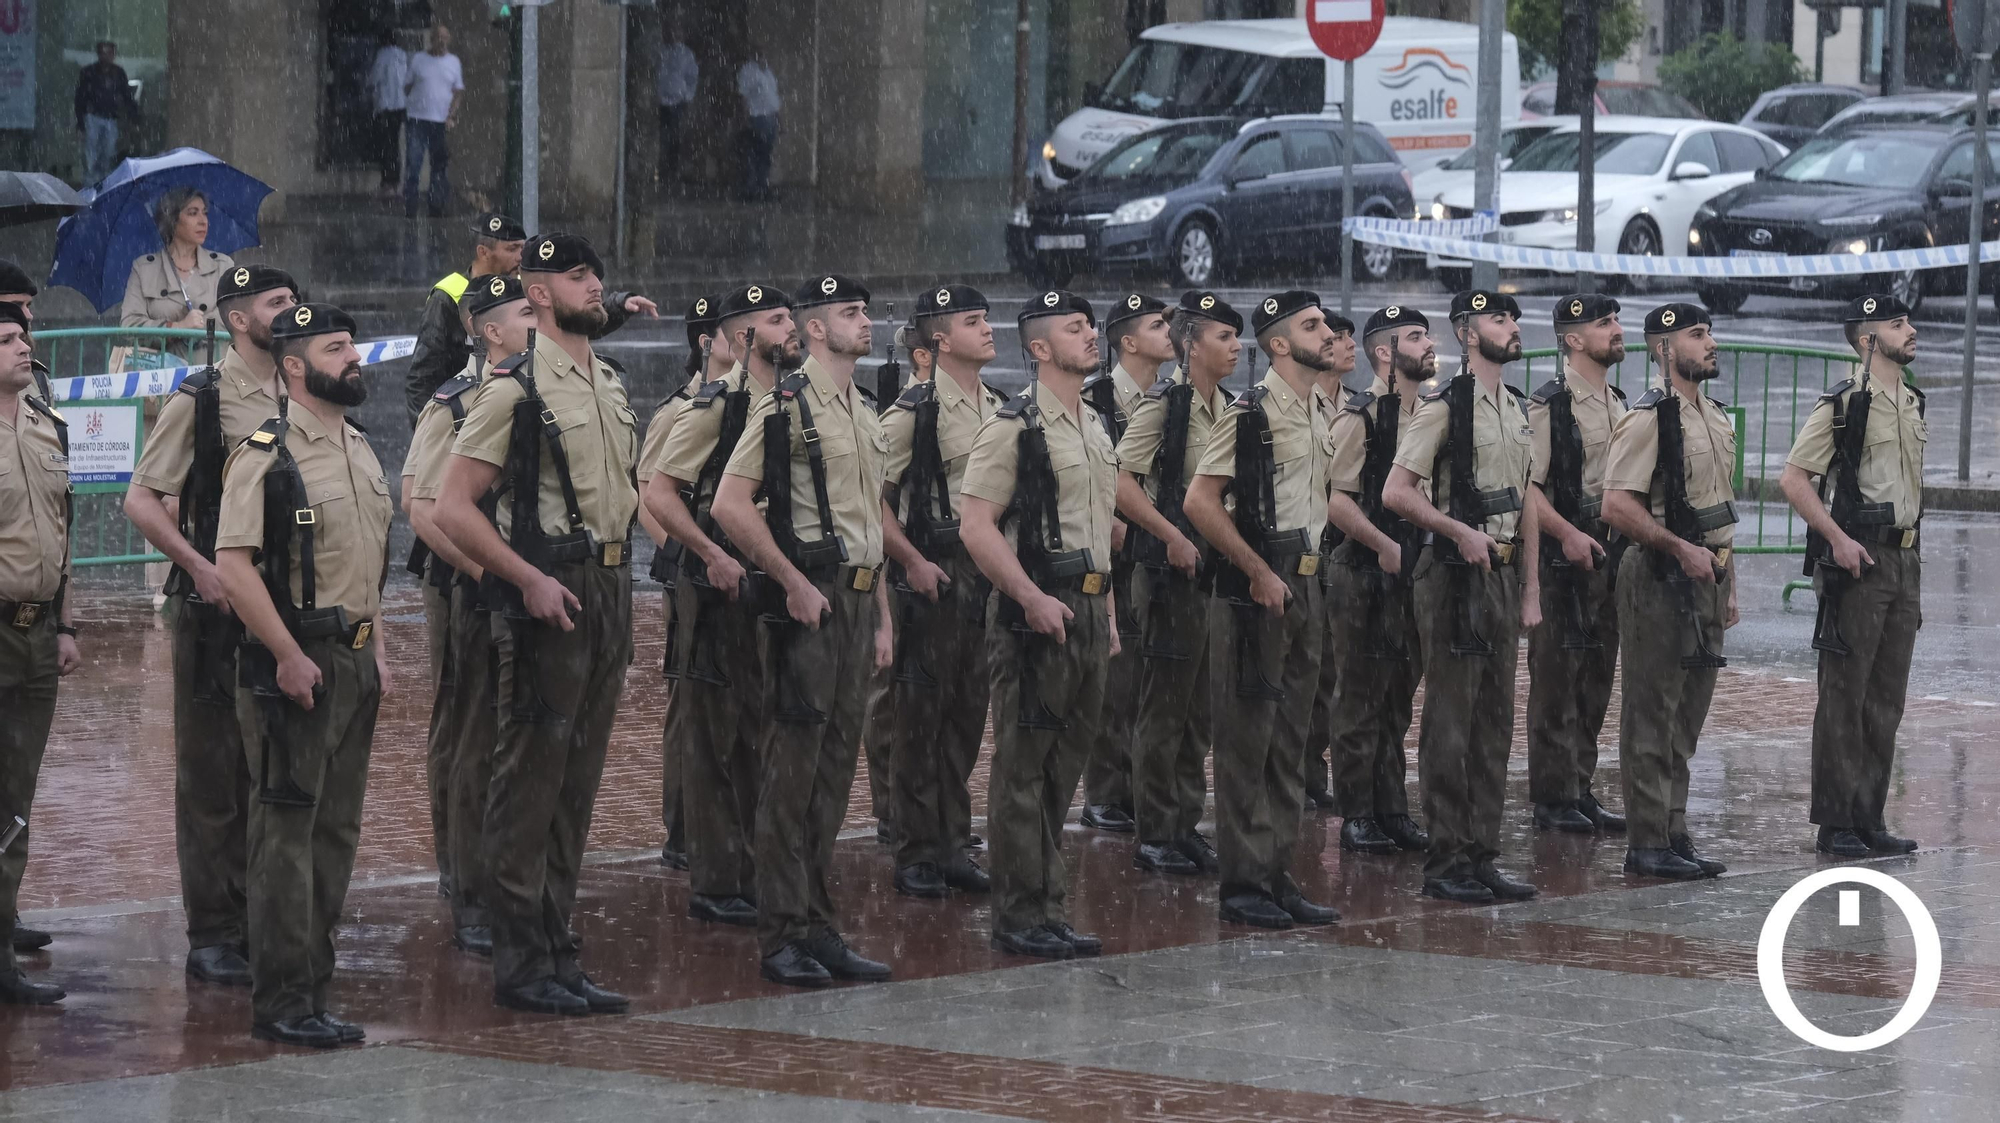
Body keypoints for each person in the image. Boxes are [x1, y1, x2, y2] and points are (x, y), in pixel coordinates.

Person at [434, 234, 636, 1017]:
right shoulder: (514, 387)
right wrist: (524, 579)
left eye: (597, 271)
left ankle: (557, 948)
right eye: (579, 275)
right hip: (551, 585)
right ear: (540, 292)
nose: (597, 284)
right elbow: (452, 506)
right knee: (528, 784)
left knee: (575, 787)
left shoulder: (606, 381)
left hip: (609, 586)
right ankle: (520, 960)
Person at [212, 302, 392, 1047]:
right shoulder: (267, 453)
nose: (355, 357)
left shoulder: (359, 446)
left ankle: (315, 985)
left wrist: (375, 648)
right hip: (296, 663)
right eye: (337, 346)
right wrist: (287, 653)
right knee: (285, 834)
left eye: (353, 344)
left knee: (335, 833)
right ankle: (283, 999)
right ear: (293, 365)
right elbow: (234, 566)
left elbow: (367, 565)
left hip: (355, 660)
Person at [712, 275, 895, 987]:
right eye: (850, 313)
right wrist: (789, 579)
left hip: (853, 604)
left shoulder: (862, 410)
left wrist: (881, 616)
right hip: (809, 606)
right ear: (815, 331)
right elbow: (731, 504)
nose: (865, 322)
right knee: (790, 775)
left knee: (832, 773)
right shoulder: (784, 409)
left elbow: (868, 524)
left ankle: (819, 923)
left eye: (865, 311)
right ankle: (782, 930)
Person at [124, 265, 300, 987]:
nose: (291, 310)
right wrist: (199, 566)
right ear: (237, 318)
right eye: (276, 302)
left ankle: (264, 914)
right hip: (214, 613)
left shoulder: (299, 388)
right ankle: (213, 931)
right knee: (212, 774)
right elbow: (142, 498)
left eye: (293, 300)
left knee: (273, 767)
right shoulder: (203, 396)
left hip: (282, 604)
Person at [958, 290, 1115, 961]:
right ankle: (1020, 913)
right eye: (1074, 329)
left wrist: (1103, 613)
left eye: (1090, 326)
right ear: (1041, 349)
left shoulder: (1094, 423)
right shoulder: (1014, 426)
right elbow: (975, 525)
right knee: (1024, 766)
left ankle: (1048, 902)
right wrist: (1027, 597)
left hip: (1085, 608)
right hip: (1036, 613)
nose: (1090, 335)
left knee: (1063, 766)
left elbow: (1099, 526)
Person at [1183, 290, 1342, 931]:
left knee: (1290, 741)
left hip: (1306, 584)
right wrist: (1255, 570)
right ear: (1278, 344)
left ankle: (1277, 872)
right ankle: (1244, 883)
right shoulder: (1251, 416)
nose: (1327, 333)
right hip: (1257, 591)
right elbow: (1199, 502)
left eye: (1325, 323)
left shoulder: (1316, 412)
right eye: (1312, 326)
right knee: (1248, 741)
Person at [1383, 289, 1542, 905]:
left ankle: (1481, 854)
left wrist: (1530, 587)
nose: (1512, 325)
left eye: (1513, 316)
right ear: (1468, 334)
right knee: (1451, 723)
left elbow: (1526, 499)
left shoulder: (1516, 408)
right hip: (1451, 576)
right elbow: (1398, 493)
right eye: (1498, 319)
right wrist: (1455, 530)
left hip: (1499, 576)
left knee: (1494, 723)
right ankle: (1446, 861)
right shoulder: (1445, 408)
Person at [406, 275, 538, 955]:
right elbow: (423, 508)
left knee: (518, 735)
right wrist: (490, 573)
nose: (536, 320)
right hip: (469, 590)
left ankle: (509, 872)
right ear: (489, 329)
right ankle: (466, 886)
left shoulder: (533, 392)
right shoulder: (455, 403)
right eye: (524, 312)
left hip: (523, 586)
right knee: (470, 737)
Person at [643, 284, 782, 929]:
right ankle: (713, 869)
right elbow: (655, 496)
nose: (793, 329)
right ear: (734, 338)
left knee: (754, 728)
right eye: (775, 321)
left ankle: (745, 861)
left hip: (762, 583)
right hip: (711, 583)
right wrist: (695, 561)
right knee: (709, 731)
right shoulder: (707, 407)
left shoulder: (788, 403)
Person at [1779, 295, 1927, 858]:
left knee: (1886, 699)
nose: (1910, 330)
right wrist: (1837, 541)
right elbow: (1794, 480)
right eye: (1896, 324)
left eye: (1908, 321)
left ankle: (1869, 817)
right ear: (1867, 340)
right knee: (1844, 695)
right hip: (1858, 559)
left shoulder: (1912, 401)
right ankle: (1836, 823)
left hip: (1903, 559)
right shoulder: (1842, 404)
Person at [1602, 302, 1738, 880]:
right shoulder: (1648, 418)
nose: (1710, 343)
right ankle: (1647, 841)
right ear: (1663, 350)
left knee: (1687, 715)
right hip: (1659, 576)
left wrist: (1731, 584)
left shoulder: (1716, 416)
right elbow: (1616, 504)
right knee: (1651, 713)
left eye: (1709, 332)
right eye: (1696, 334)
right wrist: (1678, 548)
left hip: (1708, 576)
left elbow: (1722, 511)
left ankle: (1673, 828)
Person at [880, 283, 1005, 899]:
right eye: (972, 321)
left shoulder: (1000, 407)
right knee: (919, 719)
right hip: (932, 571)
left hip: (984, 576)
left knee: (965, 716)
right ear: (940, 340)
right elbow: (868, 497)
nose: (987, 329)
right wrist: (909, 559)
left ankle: (954, 842)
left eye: (986, 319)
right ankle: (916, 851)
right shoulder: (912, 412)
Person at [1114, 291, 1237, 876]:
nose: (1235, 346)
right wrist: (1171, 535)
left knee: (1198, 712)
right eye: (1222, 336)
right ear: (1191, 345)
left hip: (1211, 574)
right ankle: (1156, 830)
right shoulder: (1165, 405)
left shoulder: (1229, 406)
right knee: (1163, 709)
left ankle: (1186, 824)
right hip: (1167, 575)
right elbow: (1121, 482)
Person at [1320, 305, 1432, 857]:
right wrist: (1381, 543)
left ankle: (1391, 806)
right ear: (1384, 353)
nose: (1429, 343)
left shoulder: (1429, 413)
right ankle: (1357, 812)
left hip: (1410, 570)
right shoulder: (1359, 417)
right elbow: (1336, 499)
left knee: (1396, 698)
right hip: (1362, 570)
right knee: (1359, 697)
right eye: (1415, 336)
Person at [0, 302, 82, 1005]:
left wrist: (65, 624)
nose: (24, 347)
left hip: (34, 633)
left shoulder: (44, 425)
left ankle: (2, 943)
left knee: (14, 799)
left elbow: (63, 530)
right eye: (6, 339)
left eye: (23, 336)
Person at [1526, 294, 1629, 835]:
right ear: (1571, 339)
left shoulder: (1618, 401)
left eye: (1614, 321)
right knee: (1556, 680)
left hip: (1607, 553)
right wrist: (1566, 534)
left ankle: (1579, 786)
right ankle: (1551, 796)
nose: (1617, 330)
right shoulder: (1551, 405)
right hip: (1561, 556)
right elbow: (1529, 488)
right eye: (1603, 323)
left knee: (1595, 677)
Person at [641, 294, 731, 872]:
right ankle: (683, 830)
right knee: (692, 703)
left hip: (730, 576)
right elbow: (648, 495)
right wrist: (681, 560)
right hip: (694, 576)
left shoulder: (745, 403)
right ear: (706, 342)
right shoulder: (680, 411)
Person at [1077, 293, 1172, 835]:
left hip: (1154, 550)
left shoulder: (1168, 399)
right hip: (1115, 551)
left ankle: (1140, 786)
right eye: (1158, 326)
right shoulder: (1097, 401)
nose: (1170, 334)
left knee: (1152, 675)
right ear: (1129, 341)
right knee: (1118, 679)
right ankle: (1107, 792)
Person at [1300, 309, 1356, 811]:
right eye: (1337, 338)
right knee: (1303, 669)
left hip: (1336, 553)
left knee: (1330, 673)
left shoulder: (1352, 407)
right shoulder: (1304, 404)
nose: (1345, 346)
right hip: (1306, 551)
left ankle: (1312, 770)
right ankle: (1296, 772)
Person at [405, 213, 527, 427]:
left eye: (522, 249)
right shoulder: (449, 295)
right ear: (483, 252)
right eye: (511, 249)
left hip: (514, 413)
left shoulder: (522, 291)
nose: (520, 257)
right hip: (464, 416)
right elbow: (423, 376)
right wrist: (427, 436)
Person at [122, 188, 233, 330]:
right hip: (163, 352)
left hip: (211, 352)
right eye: (193, 213)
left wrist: (202, 323)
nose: (203, 221)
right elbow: (130, 325)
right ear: (172, 219)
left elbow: (235, 316)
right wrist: (177, 327)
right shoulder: (144, 269)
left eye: (204, 213)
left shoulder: (223, 266)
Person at [404, 23, 464, 218]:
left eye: (445, 37)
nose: (441, 41)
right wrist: (417, 103)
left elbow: (458, 92)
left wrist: (451, 115)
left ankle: (435, 207)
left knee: (439, 166)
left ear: (449, 40)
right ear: (431, 39)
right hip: (417, 120)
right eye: (438, 37)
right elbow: (407, 85)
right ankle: (410, 208)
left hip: (440, 122)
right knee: (414, 164)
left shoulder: (454, 62)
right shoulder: (418, 59)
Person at [74, 41, 139, 183]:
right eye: (103, 53)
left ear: (114, 55)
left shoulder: (118, 73)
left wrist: (134, 118)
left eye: (109, 53)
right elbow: (80, 98)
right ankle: (90, 185)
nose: (106, 56)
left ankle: (104, 185)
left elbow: (127, 96)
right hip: (93, 118)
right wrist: (80, 123)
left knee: (108, 155)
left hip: (111, 119)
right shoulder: (88, 72)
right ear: (98, 54)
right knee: (92, 155)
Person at [367, 30, 409, 199]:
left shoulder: (382, 55)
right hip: (400, 106)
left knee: (386, 145)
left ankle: (387, 183)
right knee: (394, 144)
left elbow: (374, 78)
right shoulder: (402, 55)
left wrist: (366, 85)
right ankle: (396, 182)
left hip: (385, 106)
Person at [735, 48, 781, 201]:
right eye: (759, 55)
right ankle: (752, 189)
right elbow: (743, 96)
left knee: (765, 155)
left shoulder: (767, 72)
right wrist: (744, 118)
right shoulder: (748, 71)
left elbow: (773, 96)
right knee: (754, 154)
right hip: (757, 116)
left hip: (769, 117)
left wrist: (778, 118)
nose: (762, 58)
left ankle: (762, 187)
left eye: (763, 55)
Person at [657, 20, 698, 184]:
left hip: (677, 102)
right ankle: (662, 171)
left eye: (677, 32)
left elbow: (692, 77)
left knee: (674, 137)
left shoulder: (687, 54)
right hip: (661, 101)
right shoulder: (662, 52)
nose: (674, 35)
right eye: (672, 32)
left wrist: (686, 96)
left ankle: (672, 172)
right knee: (662, 138)